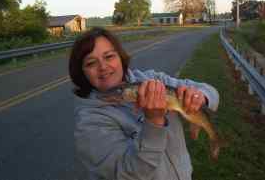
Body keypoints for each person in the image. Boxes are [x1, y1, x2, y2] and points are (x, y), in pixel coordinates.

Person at [69, 27, 219, 180]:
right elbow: (130, 174)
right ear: (82, 72)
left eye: (109, 56)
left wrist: (201, 97)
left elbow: (211, 92)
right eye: (91, 63)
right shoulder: (89, 124)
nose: (103, 67)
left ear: (120, 57)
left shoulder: (153, 79)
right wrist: (154, 122)